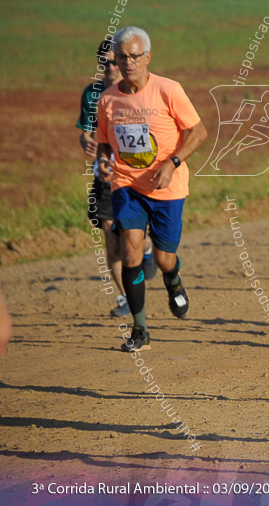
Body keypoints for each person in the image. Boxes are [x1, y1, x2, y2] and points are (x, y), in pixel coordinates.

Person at [96, 27, 208, 352]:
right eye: (122, 57)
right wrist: (104, 162)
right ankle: (140, 329)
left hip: (166, 185)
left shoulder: (168, 90)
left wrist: (172, 162)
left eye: (134, 56)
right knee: (130, 248)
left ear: (147, 57)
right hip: (126, 182)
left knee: (163, 258)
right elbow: (104, 143)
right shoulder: (109, 99)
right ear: (115, 59)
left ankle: (173, 280)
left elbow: (199, 132)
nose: (128, 62)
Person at [78, 40, 156, 317]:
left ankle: (147, 252)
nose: (109, 67)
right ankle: (125, 298)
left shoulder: (143, 91)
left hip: (138, 175)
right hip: (106, 177)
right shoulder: (93, 94)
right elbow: (86, 131)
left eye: (114, 61)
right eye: (104, 62)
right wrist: (87, 142)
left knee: (135, 237)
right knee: (112, 240)